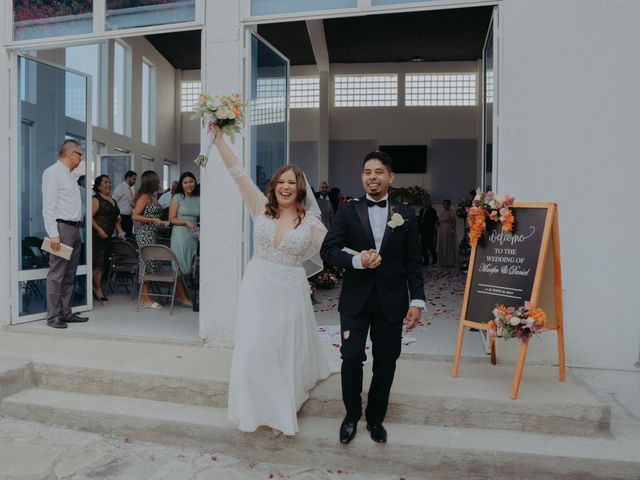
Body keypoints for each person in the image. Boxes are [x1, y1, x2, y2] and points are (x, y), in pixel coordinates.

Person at [207, 125, 333, 436]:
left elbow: (333, 249)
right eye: (281, 182)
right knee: (253, 346)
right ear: (274, 185)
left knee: (279, 350)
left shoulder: (310, 221)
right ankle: (254, 407)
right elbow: (237, 172)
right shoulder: (260, 206)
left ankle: (279, 410)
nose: (286, 187)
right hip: (258, 285)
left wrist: (363, 256)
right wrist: (220, 141)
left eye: (292, 182)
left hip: (289, 289)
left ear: (300, 188)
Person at [320, 150, 426, 445]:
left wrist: (417, 301)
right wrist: (358, 261)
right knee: (352, 357)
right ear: (362, 177)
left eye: (379, 172)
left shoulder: (405, 215)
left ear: (390, 177)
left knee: (386, 360)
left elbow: (414, 262)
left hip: (392, 300)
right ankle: (351, 415)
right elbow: (328, 250)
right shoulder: (346, 211)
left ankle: (376, 417)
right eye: (367, 172)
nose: (372, 177)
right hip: (356, 299)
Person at [41, 139, 89, 328]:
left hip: (75, 229)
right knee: (57, 274)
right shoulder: (52, 173)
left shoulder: (71, 175)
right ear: (71, 154)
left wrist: (79, 163)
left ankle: (65, 312)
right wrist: (53, 234)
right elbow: (48, 208)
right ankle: (53, 316)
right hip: (61, 229)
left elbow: (82, 169)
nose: (81, 159)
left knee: (70, 274)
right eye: (80, 155)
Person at [132, 170, 167, 308]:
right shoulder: (144, 197)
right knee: (146, 263)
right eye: (156, 180)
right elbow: (135, 216)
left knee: (151, 264)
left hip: (152, 233)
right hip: (145, 233)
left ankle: (145, 297)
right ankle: (145, 299)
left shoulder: (152, 196)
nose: (158, 183)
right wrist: (153, 219)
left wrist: (159, 223)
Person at [91, 175, 125, 301]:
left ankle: (97, 285)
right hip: (97, 236)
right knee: (98, 263)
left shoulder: (112, 200)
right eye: (105, 182)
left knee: (105, 262)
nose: (108, 184)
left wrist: (120, 231)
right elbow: (89, 218)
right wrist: (99, 230)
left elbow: (117, 219)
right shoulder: (95, 199)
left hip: (108, 236)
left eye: (109, 182)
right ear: (99, 186)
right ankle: (97, 287)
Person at [169, 172, 200, 307]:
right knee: (180, 266)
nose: (189, 185)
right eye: (185, 182)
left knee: (190, 267)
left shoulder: (199, 197)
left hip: (193, 237)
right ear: (181, 184)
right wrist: (186, 222)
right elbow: (171, 219)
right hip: (180, 235)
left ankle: (179, 295)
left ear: (195, 182)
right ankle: (182, 297)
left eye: (191, 181)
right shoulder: (177, 197)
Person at [112, 170, 137, 237]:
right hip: (121, 218)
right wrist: (118, 216)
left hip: (128, 218)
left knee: (129, 237)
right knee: (122, 239)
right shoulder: (120, 187)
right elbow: (113, 202)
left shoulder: (129, 189)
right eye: (133, 179)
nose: (135, 181)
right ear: (128, 177)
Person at [436, 199, 458, 267]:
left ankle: (449, 262)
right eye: (443, 204)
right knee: (442, 245)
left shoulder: (451, 212)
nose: (444, 205)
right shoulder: (443, 212)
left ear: (449, 205)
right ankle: (443, 261)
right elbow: (440, 220)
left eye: (446, 204)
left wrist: (453, 230)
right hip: (442, 231)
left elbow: (454, 222)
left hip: (448, 230)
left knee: (448, 245)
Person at [418, 196, 438, 265]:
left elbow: (432, 220)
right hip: (422, 231)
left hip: (429, 231)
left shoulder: (433, 211)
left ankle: (435, 258)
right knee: (423, 247)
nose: (425, 203)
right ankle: (426, 260)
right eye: (424, 201)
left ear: (429, 202)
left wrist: (425, 220)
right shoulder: (421, 210)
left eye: (427, 201)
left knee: (430, 246)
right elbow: (419, 220)